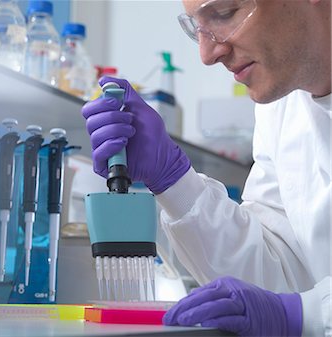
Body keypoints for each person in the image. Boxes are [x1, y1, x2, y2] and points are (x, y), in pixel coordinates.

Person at [81, 0, 331, 336]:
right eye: (196, 28)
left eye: (225, 14)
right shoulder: (282, 105)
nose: (207, 54)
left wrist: (307, 314)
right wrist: (172, 179)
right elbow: (277, 277)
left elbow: (291, 306)